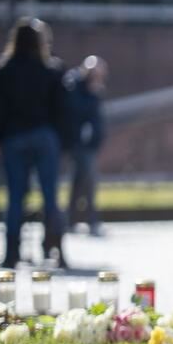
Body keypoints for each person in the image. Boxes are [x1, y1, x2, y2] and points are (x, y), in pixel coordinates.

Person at [0, 18, 68, 269]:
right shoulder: (51, 69)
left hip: (14, 136)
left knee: (14, 197)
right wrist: (59, 138)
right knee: (50, 195)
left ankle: (11, 252)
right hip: (44, 135)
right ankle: (57, 249)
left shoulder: (5, 70)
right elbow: (61, 109)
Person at [63, 55, 108, 236]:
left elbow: (97, 118)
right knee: (88, 181)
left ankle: (70, 220)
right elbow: (76, 111)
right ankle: (91, 220)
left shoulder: (95, 89)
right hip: (79, 142)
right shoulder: (76, 85)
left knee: (79, 181)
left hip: (90, 143)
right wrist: (91, 92)